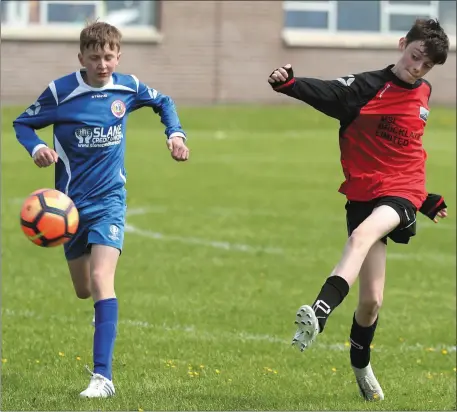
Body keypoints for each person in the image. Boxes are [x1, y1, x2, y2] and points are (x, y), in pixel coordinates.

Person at [268, 18, 449, 401]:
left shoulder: (424, 92)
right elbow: (328, 91)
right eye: (416, 56)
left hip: (401, 193)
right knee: (371, 301)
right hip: (364, 193)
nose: (418, 68)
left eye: (427, 65)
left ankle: (318, 311)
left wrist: (422, 196)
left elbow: (409, 151)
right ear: (403, 44)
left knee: (361, 235)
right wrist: (288, 84)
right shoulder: (366, 89)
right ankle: (362, 366)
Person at [13, 21, 189, 398]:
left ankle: (102, 378)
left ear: (118, 55)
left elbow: (164, 102)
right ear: (81, 58)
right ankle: (102, 313)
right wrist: (37, 148)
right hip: (67, 209)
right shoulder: (60, 92)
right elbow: (23, 123)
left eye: (109, 57)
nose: (103, 64)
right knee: (83, 289)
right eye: (95, 58)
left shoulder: (128, 87)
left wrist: (175, 134)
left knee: (101, 280)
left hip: (110, 201)